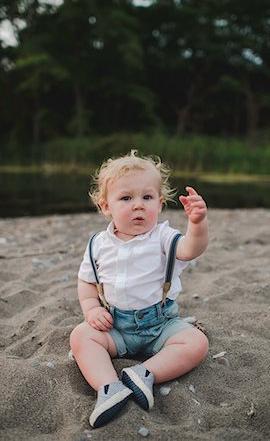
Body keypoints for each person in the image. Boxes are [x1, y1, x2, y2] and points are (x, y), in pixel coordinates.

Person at [70, 150, 209, 428]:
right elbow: (86, 281)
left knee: (196, 343)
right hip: (117, 327)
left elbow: (192, 249)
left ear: (159, 204)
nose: (138, 206)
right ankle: (110, 387)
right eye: (126, 198)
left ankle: (144, 373)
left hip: (161, 325)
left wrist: (197, 224)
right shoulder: (98, 244)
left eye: (147, 198)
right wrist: (91, 309)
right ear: (106, 206)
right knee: (81, 336)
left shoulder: (163, 238)